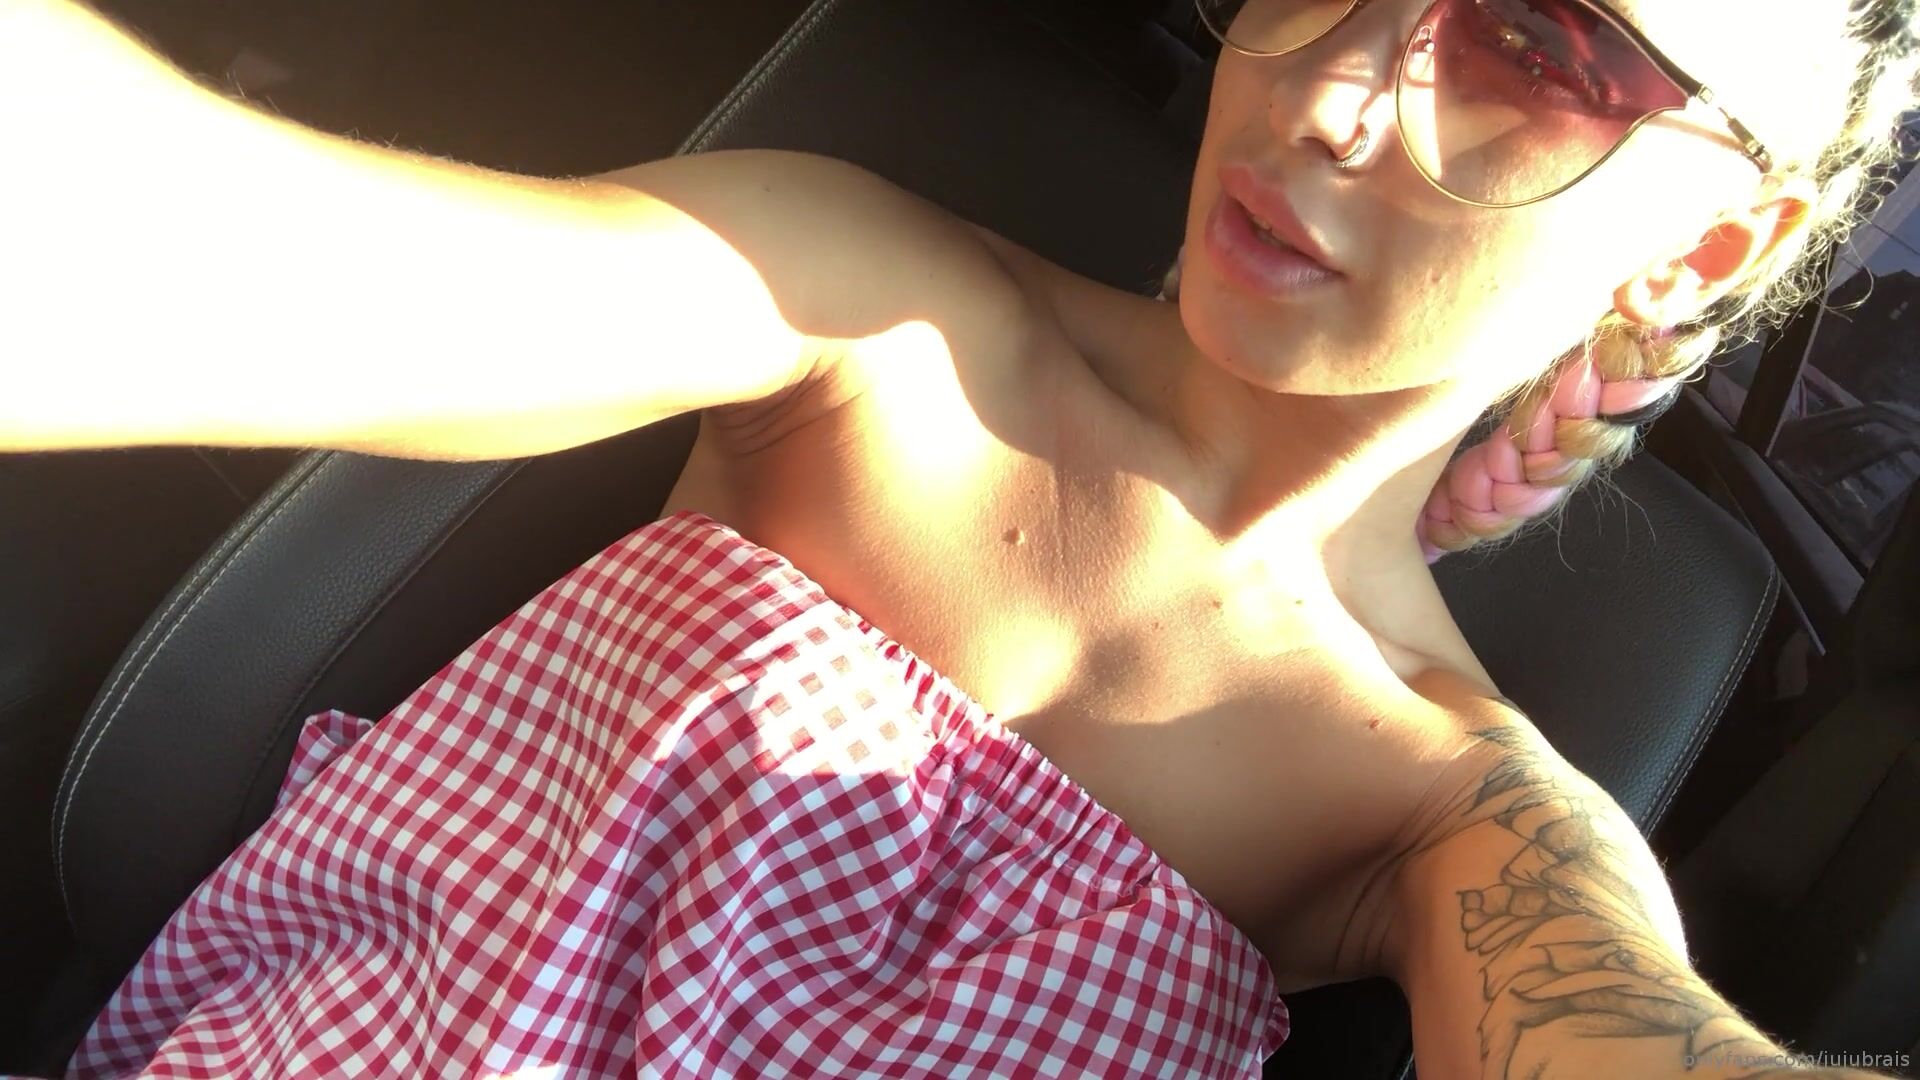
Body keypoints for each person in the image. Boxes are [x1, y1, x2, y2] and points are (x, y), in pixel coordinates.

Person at [5, 0, 1915, 1076]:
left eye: (1538, 45)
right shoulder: (862, 305)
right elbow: (183, 246)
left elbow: (1627, 1033)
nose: (1324, 93)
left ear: (1705, 246)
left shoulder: (1445, 810)